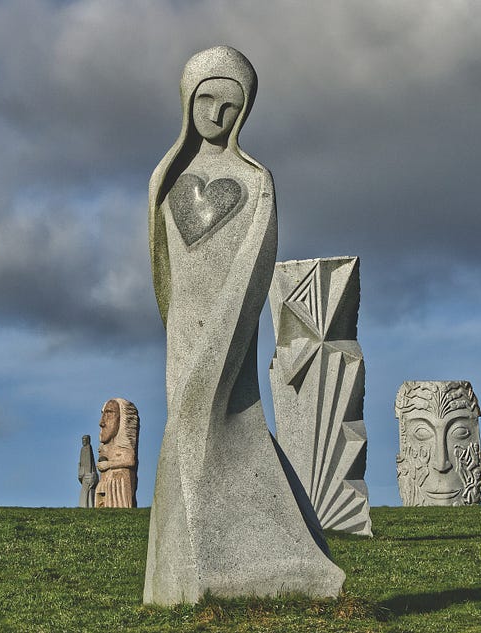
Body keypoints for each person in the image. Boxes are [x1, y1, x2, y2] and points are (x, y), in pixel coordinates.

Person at [144, 45, 342, 604]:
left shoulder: (255, 181)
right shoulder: (168, 177)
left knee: (218, 416)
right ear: (187, 101)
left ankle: (241, 563)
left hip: (233, 324)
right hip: (184, 326)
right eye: (206, 99)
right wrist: (181, 324)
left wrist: (230, 321)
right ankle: (183, 576)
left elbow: (257, 259)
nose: (217, 114)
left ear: (245, 111)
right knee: (187, 429)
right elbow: (161, 266)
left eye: (232, 105)